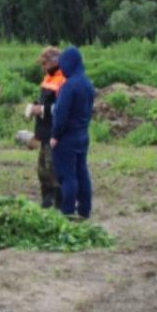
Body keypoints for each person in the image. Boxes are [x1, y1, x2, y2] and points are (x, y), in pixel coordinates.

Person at [50, 46, 96, 219]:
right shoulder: (87, 84)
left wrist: (55, 136)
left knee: (67, 175)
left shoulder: (69, 87)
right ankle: (85, 210)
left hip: (67, 138)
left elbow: (61, 114)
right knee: (82, 172)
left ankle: (68, 211)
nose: (62, 69)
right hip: (82, 135)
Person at [26, 46, 65, 209]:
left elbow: (61, 108)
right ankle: (46, 201)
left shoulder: (63, 79)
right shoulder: (48, 78)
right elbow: (45, 101)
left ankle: (60, 204)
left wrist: (40, 110)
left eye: (44, 63)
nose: (42, 67)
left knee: (53, 169)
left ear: (54, 62)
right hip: (43, 131)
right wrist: (34, 107)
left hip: (54, 131)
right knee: (42, 170)